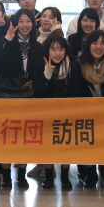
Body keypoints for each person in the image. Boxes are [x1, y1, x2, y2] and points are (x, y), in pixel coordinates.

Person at [0, 9, 44, 189]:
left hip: (28, 96)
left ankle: (21, 176)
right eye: (21, 21)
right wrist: (7, 38)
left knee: (24, 137)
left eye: (28, 21)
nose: (25, 25)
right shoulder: (6, 41)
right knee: (7, 136)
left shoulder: (37, 46)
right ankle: (5, 175)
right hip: (7, 94)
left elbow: (40, 72)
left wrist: (35, 83)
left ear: (33, 23)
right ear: (15, 23)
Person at [75, 30, 104, 189]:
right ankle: (90, 173)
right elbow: (75, 91)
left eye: (103, 43)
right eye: (95, 43)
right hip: (86, 111)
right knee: (88, 142)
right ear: (89, 45)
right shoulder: (79, 64)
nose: (99, 47)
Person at [37, 34, 82, 189]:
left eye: (61, 49)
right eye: (53, 49)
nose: (57, 53)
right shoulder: (41, 64)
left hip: (67, 113)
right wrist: (47, 75)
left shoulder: (73, 65)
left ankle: (65, 177)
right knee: (48, 146)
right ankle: (49, 176)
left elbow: (76, 91)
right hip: (46, 114)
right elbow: (37, 93)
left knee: (65, 146)